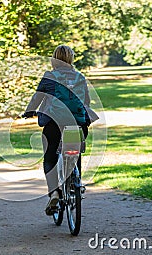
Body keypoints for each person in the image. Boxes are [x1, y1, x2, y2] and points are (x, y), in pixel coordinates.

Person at [23, 45, 91, 215]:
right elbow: (87, 102)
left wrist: (29, 111)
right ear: (71, 59)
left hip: (54, 123)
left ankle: (54, 192)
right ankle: (77, 183)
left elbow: (37, 97)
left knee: (50, 157)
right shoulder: (79, 77)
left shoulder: (50, 76)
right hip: (77, 123)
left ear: (54, 59)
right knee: (75, 153)